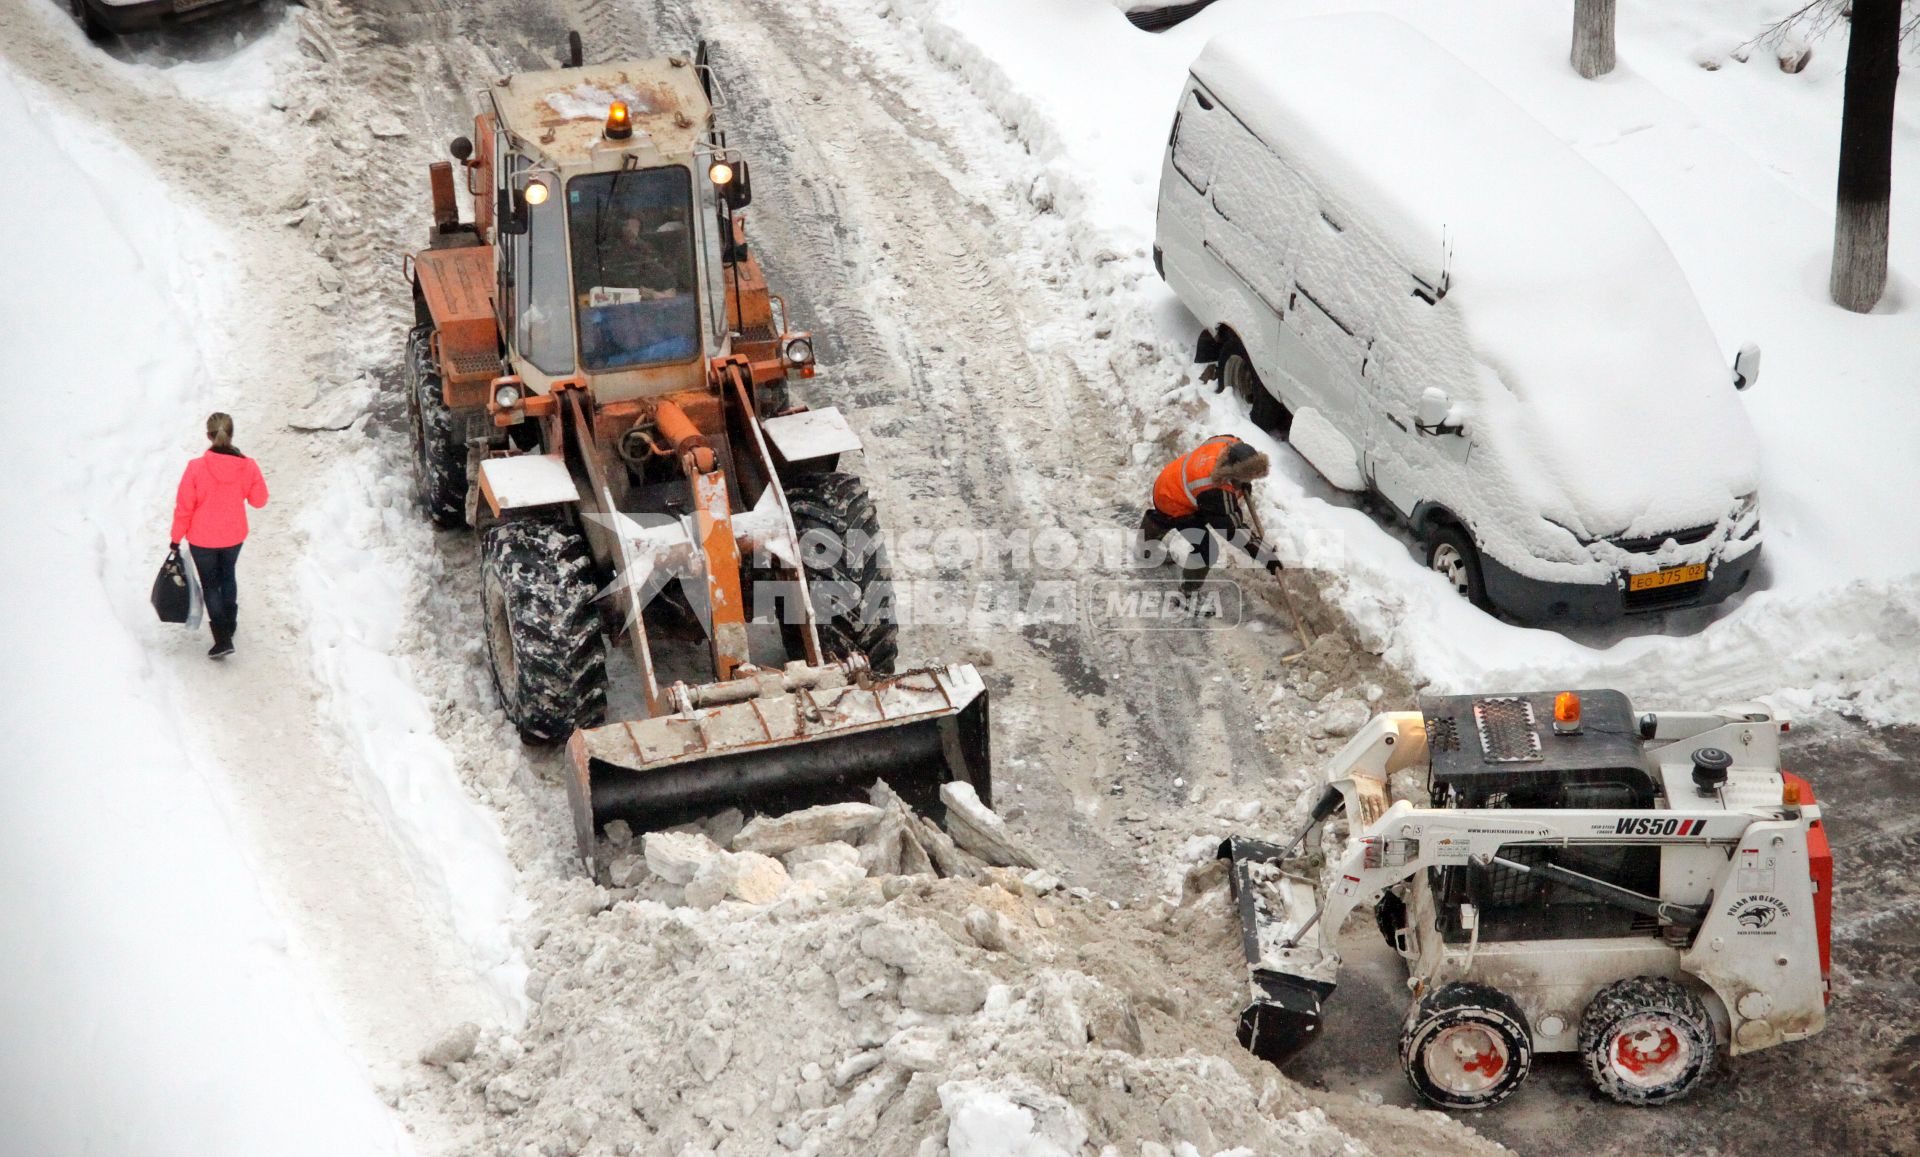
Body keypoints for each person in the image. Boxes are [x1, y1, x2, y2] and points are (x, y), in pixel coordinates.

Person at [170, 412, 268, 659]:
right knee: (228, 577)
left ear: (208, 435)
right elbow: (259, 501)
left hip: (202, 539)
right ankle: (230, 623)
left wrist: (175, 539)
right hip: (234, 536)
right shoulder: (248, 465)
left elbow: (184, 507)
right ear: (231, 433)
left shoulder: (195, 468)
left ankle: (222, 638)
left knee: (211, 584)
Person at [1140, 434, 1270, 592]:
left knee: (1164, 517)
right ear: (1233, 472)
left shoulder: (1229, 443)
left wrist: (1240, 482)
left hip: (1170, 480)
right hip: (1172, 500)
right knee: (1207, 549)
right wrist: (1266, 555)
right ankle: (1187, 593)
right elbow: (1232, 530)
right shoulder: (1214, 490)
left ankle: (1145, 548)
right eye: (1247, 477)